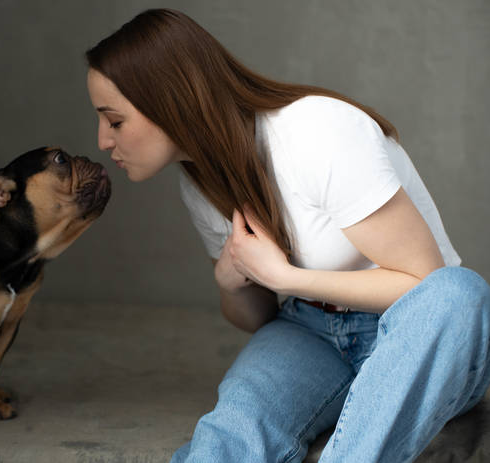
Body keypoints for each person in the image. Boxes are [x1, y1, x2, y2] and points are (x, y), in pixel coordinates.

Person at [85, 8, 490, 463]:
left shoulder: (318, 130)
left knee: (459, 292)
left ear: (171, 102)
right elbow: (257, 318)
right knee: (232, 429)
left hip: (416, 335)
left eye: (114, 121)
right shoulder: (198, 183)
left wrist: (288, 279)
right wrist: (230, 279)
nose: (102, 140)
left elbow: (424, 286)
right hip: (309, 329)